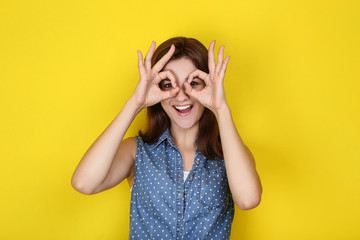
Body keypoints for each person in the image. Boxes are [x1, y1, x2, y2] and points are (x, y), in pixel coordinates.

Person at [71, 36, 262, 239]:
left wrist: (220, 109)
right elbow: (84, 183)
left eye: (193, 83)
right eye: (168, 84)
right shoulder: (137, 152)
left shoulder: (231, 155)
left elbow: (248, 200)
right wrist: (135, 103)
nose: (181, 96)